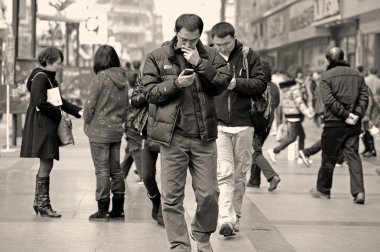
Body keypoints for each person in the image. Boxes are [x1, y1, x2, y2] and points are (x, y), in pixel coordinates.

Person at [141, 13, 231, 252]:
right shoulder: (158, 57)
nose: (187, 45)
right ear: (176, 32)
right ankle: (180, 245)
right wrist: (175, 84)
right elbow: (148, 92)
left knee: (210, 193)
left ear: (200, 36)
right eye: (183, 39)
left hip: (204, 137)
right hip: (172, 138)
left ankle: (202, 235)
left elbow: (222, 83)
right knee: (171, 198)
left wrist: (200, 64)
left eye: (193, 40)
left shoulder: (210, 55)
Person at [210, 22, 266, 238]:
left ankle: (236, 218)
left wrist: (237, 84)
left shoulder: (248, 55)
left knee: (240, 176)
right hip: (220, 125)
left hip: (244, 124)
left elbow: (261, 83)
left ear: (234, 38)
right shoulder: (209, 56)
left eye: (226, 43)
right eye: (218, 44)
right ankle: (225, 218)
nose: (222, 48)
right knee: (224, 173)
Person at [20, 47, 83, 217]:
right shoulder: (42, 78)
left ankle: (39, 201)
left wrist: (78, 111)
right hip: (43, 124)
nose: (59, 67)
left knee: (46, 162)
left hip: (43, 123)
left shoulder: (44, 77)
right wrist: (58, 113)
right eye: (57, 63)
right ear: (48, 61)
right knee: (47, 161)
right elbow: (40, 102)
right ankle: (43, 204)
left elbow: (58, 101)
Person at [310, 47, 369, 204]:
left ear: (329, 60)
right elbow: (364, 96)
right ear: (343, 57)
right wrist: (355, 115)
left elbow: (328, 100)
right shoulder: (357, 75)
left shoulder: (326, 77)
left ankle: (323, 190)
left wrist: (344, 115)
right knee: (353, 157)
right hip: (353, 125)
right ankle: (359, 192)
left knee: (329, 157)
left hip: (334, 123)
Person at [83, 45, 129, 221]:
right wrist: (118, 122)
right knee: (116, 170)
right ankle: (118, 209)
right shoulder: (123, 79)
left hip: (99, 131)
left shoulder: (100, 78)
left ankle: (102, 210)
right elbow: (126, 106)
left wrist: (87, 122)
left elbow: (89, 106)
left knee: (102, 170)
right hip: (115, 130)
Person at [130, 75, 164, 226]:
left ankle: (164, 211)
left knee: (169, 177)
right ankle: (156, 202)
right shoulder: (144, 78)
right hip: (148, 131)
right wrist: (151, 92)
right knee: (147, 176)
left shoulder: (176, 76)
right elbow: (134, 101)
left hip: (170, 134)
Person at [267, 65, 314, 163]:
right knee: (292, 137)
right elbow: (299, 102)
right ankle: (274, 151)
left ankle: (302, 156)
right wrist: (308, 113)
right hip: (294, 114)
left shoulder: (286, 85)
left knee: (302, 135)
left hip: (289, 113)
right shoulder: (294, 86)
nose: (301, 76)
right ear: (296, 75)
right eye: (299, 74)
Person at [247, 61, 281, 191]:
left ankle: (272, 176)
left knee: (255, 151)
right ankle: (254, 180)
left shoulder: (257, 86)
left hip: (256, 124)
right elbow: (276, 103)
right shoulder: (274, 86)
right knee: (257, 149)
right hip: (268, 123)